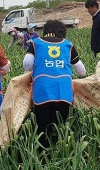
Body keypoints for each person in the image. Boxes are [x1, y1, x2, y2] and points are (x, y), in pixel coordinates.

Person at [23, 20, 86, 148]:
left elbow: (27, 65)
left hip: (42, 91)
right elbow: (81, 71)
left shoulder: (35, 43)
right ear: (62, 32)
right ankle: (62, 150)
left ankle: (42, 152)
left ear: (45, 31)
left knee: (42, 126)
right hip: (64, 91)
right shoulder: (68, 45)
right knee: (62, 125)